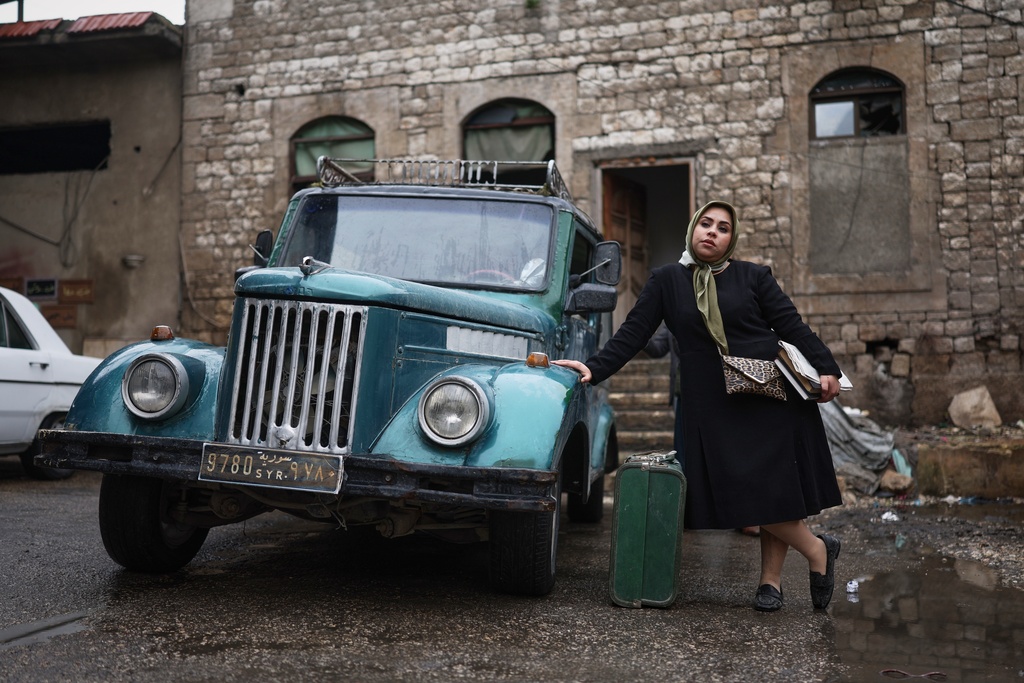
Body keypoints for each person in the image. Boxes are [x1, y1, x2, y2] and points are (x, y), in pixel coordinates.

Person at [554, 200, 843, 612]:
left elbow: (791, 325)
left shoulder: (753, 277)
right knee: (739, 489)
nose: (712, 232)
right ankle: (818, 551)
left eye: (723, 228)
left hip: (769, 397)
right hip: (711, 405)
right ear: (692, 229)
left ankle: (771, 583)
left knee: (775, 490)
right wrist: (593, 367)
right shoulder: (667, 281)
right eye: (705, 224)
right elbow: (633, 333)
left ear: (732, 238)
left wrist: (827, 368)